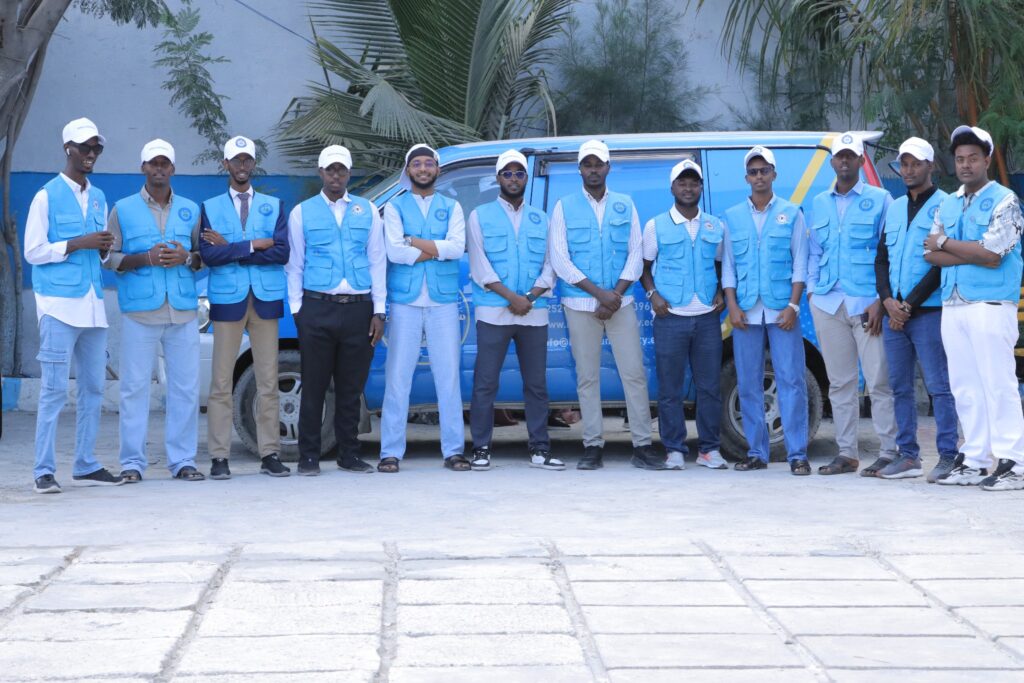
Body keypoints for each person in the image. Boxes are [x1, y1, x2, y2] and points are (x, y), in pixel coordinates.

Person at [550, 139, 663, 471]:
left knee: (634, 374)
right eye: (587, 164)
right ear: (580, 169)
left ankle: (642, 446)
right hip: (580, 304)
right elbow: (560, 258)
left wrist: (614, 294)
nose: (593, 170)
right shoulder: (564, 207)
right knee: (587, 377)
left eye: (598, 164)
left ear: (608, 167)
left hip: (620, 302)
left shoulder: (625, 204)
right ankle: (592, 446)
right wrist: (599, 294)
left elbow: (635, 253)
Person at [24, 117, 124, 493]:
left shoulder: (98, 197)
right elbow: (33, 251)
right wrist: (78, 243)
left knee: (93, 389)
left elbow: (99, 253)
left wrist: (103, 249)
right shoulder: (46, 196)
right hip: (58, 306)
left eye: (96, 147)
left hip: (92, 305)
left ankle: (85, 463)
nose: (91, 153)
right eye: (85, 147)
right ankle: (43, 470)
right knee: (53, 390)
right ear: (68, 148)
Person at [925, 125, 1024, 491]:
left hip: (990, 304)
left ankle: (1014, 462)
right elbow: (930, 254)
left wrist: (947, 243)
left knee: (998, 383)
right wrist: (968, 251)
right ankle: (975, 459)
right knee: (965, 386)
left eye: (973, 158)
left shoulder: (1005, 201)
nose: (965, 165)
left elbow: (994, 254)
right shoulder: (948, 203)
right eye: (960, 159)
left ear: (987, 160)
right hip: (953, 304)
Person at [106, 139, 205, 482]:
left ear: (173, 168)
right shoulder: (122, 209)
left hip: (182, 311)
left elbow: (203, 256)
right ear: (143, 167)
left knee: (185, 389)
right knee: (134, 388)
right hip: (140, 312)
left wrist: (187, 257)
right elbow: (109, 258)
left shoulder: (190, 209)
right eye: (153, 163)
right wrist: (144, 258)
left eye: (165, 163)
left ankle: (183, 461)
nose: (159, 168)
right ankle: (132, 463)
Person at [285, 145, 385, 476]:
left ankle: (349, 454)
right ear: (321, 173)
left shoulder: (367, 210)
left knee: (350, 388)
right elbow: (295, 264)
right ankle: (308, 456)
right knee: (314, 387)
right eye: (330, 170)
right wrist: (298, 311)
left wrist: (379, 310)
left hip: (359, 309)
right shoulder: (302, 212)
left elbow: (377, 261)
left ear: (349, 173)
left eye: (341, 170)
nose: (336, 176)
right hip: (317, 307)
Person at [807, 132, 898, 476]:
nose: (844, 161)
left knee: (878, 381)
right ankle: (847, 453)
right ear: (832, 162)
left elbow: (890, 252)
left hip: (867, 306)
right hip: (828, 304)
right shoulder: (819, 202)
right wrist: (813, 293)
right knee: (840, 383)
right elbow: (815, 251)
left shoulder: (881, 199)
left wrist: (881, 299)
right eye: (839, 156)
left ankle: (889, 452)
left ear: (861, 160)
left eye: (850, 156)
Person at [199, 136, 290, 480]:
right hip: (227, 299)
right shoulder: (210, 207)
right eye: (235, 160)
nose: (242, 165)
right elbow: (210, 255)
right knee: (221, 382)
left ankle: (270, 453)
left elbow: (282, 252)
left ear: (253, 164)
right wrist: (254, 245)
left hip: (265, 298)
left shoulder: (274, 205)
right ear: (225, 164)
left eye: (247, 160)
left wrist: (234, 248)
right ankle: (219, 456)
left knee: (268, 380)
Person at [467, 150, 562, 471]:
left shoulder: (541, 218)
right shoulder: (480, 216)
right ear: (498, 178)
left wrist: (530, 297)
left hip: (533, 312)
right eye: (507, 173)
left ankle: (540, 448)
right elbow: (479, 265)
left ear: (526, 178)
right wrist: (511, 297)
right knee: (485, 383)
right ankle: (481, 448)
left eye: (519, 173)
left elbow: (551, 264)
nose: (513, 179)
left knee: (536, 384)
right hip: (493, 312)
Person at [721, 146, 811, 475]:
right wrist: (732, 305)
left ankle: (797, 454)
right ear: (746, 178)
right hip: (745, 311)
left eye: (764, 171)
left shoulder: (792, 213)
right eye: (753, 172)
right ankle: (756, 452)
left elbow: (800, 262)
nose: (759, 176)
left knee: (792, 380)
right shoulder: (732, 216)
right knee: (747, 383)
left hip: (782, 311)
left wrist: (793, 305)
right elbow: (729, 266)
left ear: (774, 174)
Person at [874, 137, 958, 482]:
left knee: (939, 386)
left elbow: (942, 264)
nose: (908, 170)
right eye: (903, 164)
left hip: (928, 313)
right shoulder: (894, 207)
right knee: (900, 387)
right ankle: (908, 455)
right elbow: (882, 258)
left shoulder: (946, 206)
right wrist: (887, 300)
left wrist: (908, 305)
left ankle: (949, 455)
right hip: (894, 314)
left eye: (915, 164)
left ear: (930, 166)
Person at [379, 144, 466, 473]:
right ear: (408, 170)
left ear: (438, 170)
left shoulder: (452, 206)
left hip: (443, 301)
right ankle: (390, 452)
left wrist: (413, 240)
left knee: (448, 377)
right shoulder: (394, 206)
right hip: (406, 301)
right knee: (397, 377)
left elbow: (457, 248)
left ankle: (453, 450)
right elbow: (394, 252)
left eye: (429, 163)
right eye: (417, 164)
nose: (424, 169)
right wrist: (435, 249)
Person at [639, 159, 726, 471]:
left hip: (707, 318)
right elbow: (643, 268)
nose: (688, 188)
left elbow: (720, 265)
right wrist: (653, 294)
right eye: (682, 183)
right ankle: (674, 449)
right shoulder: (655, 226)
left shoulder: (715, 226)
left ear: (701, 187)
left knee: (709, 387)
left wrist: (720, 292)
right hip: (670, 317)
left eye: (693, 183)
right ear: (672, 188)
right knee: (670, 389)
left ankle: (709, 449)